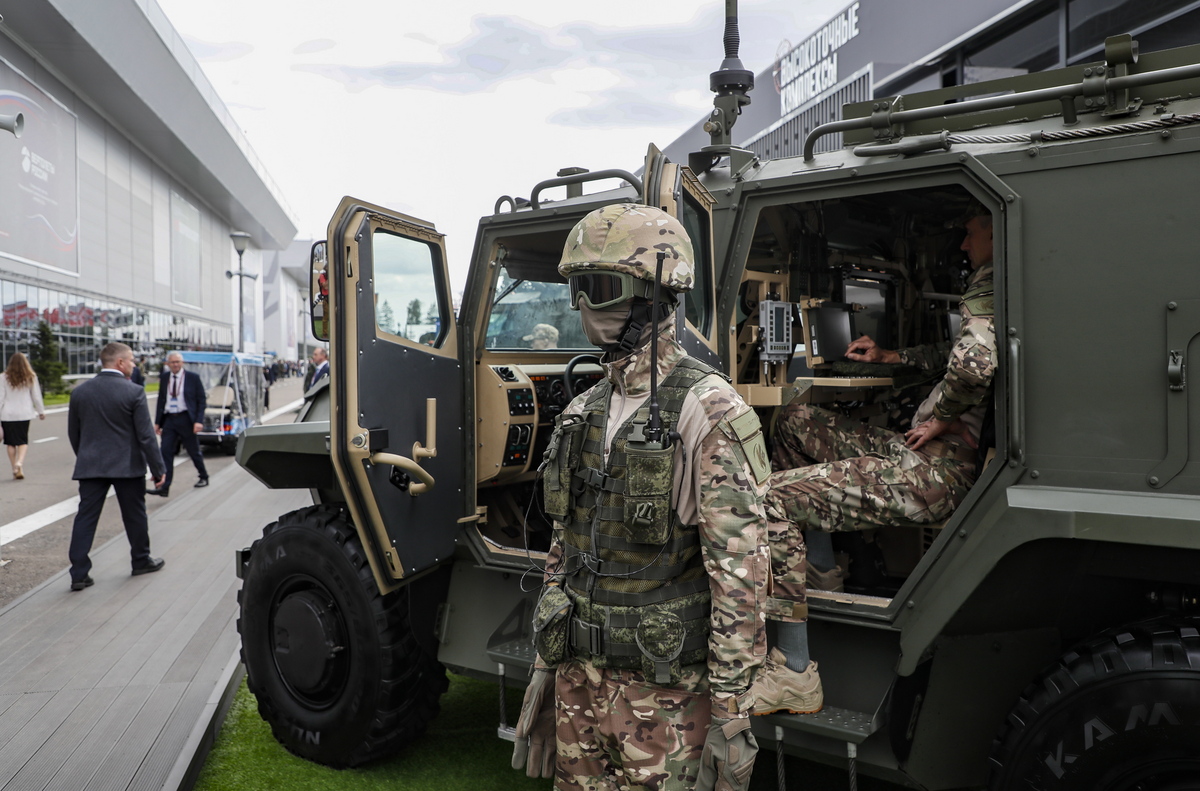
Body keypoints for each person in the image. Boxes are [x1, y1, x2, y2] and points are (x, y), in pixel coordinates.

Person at [511, 204, 772, 791]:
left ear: (654, 294)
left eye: (600, 289)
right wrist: (547, 665)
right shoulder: (583, 410)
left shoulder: (707, 410)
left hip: (664, 695)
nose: (582, 306)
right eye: (577, 288)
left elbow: (739, 573)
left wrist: (731, 710)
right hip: (579, 678)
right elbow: (565, 548)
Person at [754, 207, 997, 704]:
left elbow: (972, 368)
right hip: (925, 448)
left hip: (940, 468)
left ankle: (795, 673)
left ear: (995, 230)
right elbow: (954, 354)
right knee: (794, 422)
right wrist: (892, 357)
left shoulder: (992, 283)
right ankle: (819, 572)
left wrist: (944, 414)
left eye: (970, 232)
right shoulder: (1007, 284)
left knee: (764, 499)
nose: (964, 246)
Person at [66, 342, 166, 591]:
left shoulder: (80, 392)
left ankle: (79, 573)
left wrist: (87, 456)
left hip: (90, 466)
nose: (134, 364)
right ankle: (140, 561)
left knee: (86, 518)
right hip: (127, 466)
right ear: (120, 363)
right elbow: (146, 436)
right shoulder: (133, 392)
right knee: (134, 515)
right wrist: (158, 468)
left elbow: (73, 433)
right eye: (131, 360)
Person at [148, 351, 208, 496]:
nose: (175, 365)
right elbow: (161, 400)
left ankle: (203, 476)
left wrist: (198, 421)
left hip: (186, 418)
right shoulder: (165, 378)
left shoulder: (193, 378)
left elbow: (201, 400)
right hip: (169, 419)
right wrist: (158, 422)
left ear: (182, 363)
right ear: (167, 364)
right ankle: (164, 486)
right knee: (165, 451)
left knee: (193, 450)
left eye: (177, 362)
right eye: (172, 362)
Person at [0, 352, 46, 480]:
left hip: (7, 414)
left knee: (10, 443)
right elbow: (36, 396)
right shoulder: (30, 376)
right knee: (22, 440)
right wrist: (41, 411)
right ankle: (19, 463)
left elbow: (0, 398)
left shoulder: (3, 377)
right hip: (24, 413)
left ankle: (13, 467)